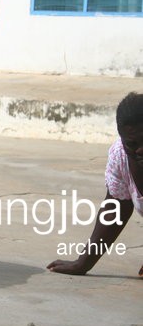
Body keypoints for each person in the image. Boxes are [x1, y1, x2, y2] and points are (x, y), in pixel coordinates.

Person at [48, 92, 143, 277]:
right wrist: (83, 264)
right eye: (132, 143)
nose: (140, 149)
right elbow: (115, 210)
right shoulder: (120, 157)